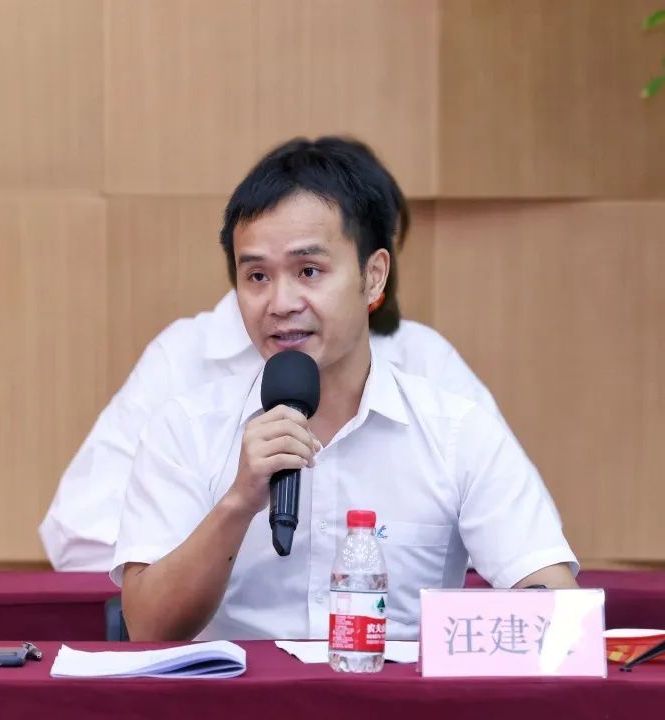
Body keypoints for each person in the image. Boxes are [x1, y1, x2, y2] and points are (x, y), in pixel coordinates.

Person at [111, 137, 578, 642]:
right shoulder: (185, 429)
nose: (280, 303)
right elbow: (147, 628)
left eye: (308, 271)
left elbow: (558, 610)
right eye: (257, 276)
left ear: (373, 277)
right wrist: (238, 502)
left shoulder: (457, 433)